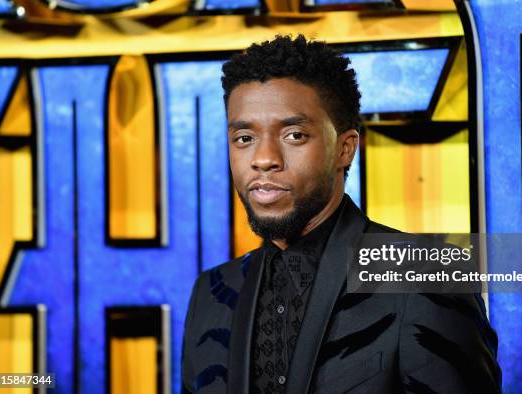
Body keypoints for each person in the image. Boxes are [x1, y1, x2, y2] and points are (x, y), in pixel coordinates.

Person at [181, 34, 501, 394]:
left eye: (294, 135)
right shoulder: (211, 294)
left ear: (345, 149)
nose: (263, 158)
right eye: (244, 138)